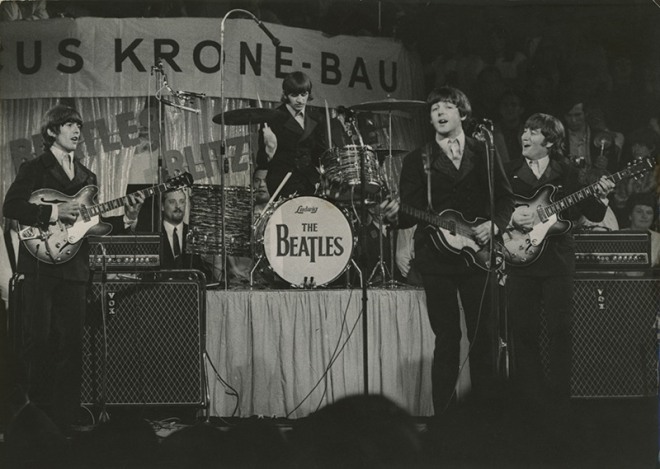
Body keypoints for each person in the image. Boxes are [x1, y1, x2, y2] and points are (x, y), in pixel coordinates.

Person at [2, 104, 144, 433]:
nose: (76, 130)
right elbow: (11, 206)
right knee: (39, 342)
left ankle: (64, 421)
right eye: (68, 124)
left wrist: (128, 217)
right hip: (40, 265)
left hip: (76, 270)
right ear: (51, 131)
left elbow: (90, 225)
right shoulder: (34, 168)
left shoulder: (87, 177)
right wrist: (53, 214)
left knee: (72, 346)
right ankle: (35, 421)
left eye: (78, 124)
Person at [397, 86, 515, 415]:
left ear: (462, 113)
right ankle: (445, 420)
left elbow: (506, 199)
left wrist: (494, 225)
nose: (439, 112)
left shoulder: (485, 152)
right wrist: (388, 210)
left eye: (447, 106)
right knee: (446, 339)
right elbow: (407, 212)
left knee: (484, 337)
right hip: (436, 260)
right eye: (434, 108)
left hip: (479, 256)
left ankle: (487, 417)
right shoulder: (416, 159)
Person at [503, 113, 615, 412]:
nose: (524, 136)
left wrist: (601, 196)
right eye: (524, 130)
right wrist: (511, 217)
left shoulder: (567, 172)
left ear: (550, 141)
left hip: (557, 260)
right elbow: (488, 207)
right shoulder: (506, 170)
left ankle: (559, 401)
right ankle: (530, 399)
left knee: (560, 330)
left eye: (534, 132)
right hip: (521, 258)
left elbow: (591, 213)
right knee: (523, 331)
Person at [257, 71, 329, 198]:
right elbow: (261, 161)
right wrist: (270, 149)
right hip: (283, 182)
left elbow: (320, 153)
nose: (300, 100)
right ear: (285, 95)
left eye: (304, 94)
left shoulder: (317, 118)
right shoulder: (272, 119)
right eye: (294, 95)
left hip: (310, 181)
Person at [160, 187, 212, 280]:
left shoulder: (195, 234)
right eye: (172, 202)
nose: (178, 206)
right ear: (162, 206)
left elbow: (204, 270)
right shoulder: (154, 232)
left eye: (182, 202)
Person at [621, 192, 660, 268]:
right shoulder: (617, 235)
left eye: (649, 213)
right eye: (639, 211)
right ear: (630, 215)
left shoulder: (658, 239)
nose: (644, 216)